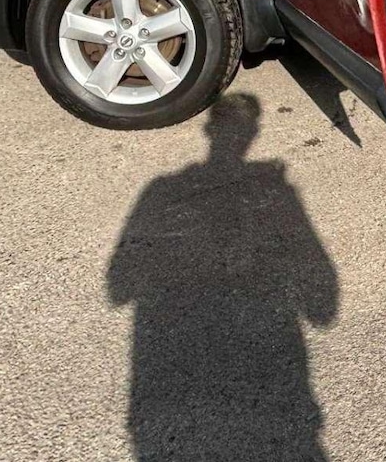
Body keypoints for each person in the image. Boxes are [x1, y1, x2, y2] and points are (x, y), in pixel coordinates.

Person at [108, 94, 339, 460]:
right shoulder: (275, 189)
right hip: (272, 388)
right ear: (252, 133)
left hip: (175, 391)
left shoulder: (161, 191)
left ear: (209, 130)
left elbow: (119, 286)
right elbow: (323, 310)